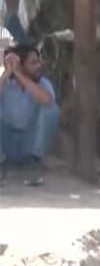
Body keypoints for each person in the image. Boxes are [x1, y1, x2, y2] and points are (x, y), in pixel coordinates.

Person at [0, 46, 58, 185]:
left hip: (29, 145)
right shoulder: (6, 84)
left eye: (38, 62)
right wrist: (7, 73)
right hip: (8, 145)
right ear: (21, 65)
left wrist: (20, 75)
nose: (38, 66)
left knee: (51, 110)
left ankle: (33, 165)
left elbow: (46, 100)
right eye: (33, 63)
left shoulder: (43, 83)